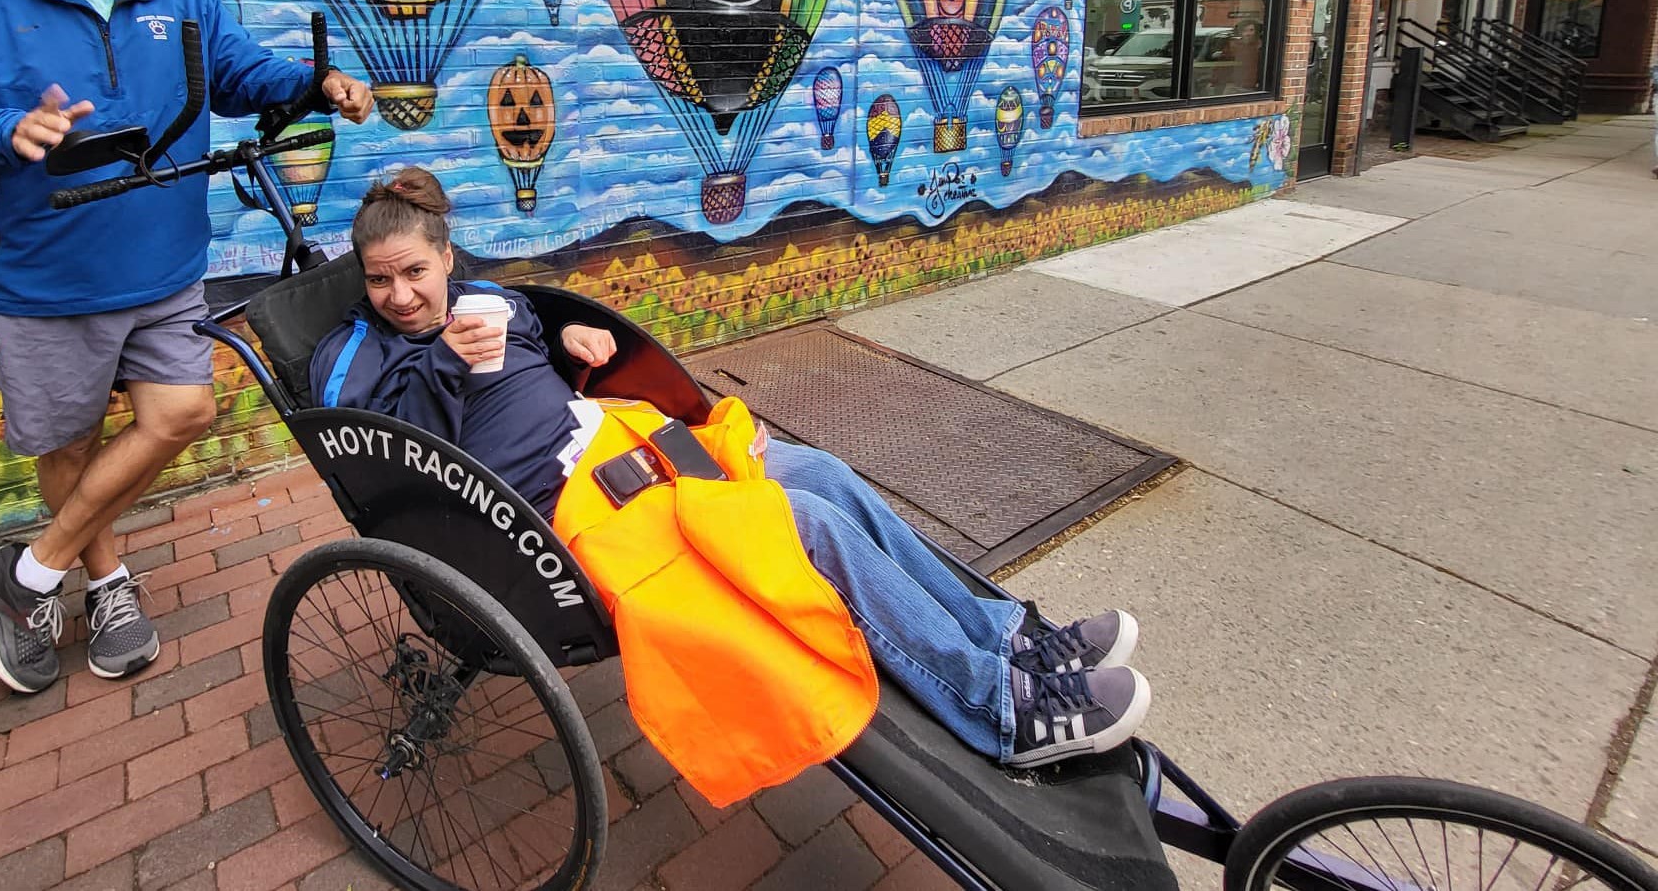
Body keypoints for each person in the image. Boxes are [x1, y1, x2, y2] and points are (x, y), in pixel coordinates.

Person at [310, 169, 1153, 769]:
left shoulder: (488, 300)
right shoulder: (356, 356)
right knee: (805, 528)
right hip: (557, 519)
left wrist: (573, 340)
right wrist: (446, 365)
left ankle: (1008, 635)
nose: (401, 296)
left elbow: (535, 335)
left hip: (627, 447)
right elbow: (389, 451)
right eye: (381, 281)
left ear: (448, 259)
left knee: (821, 474)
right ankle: (998, 710)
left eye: (415, 273)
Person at [0, 0, 374, 696]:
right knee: (70, 442)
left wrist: (312, 83)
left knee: (182, 412)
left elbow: (235, 73)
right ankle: (105, 583)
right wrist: (3, 129)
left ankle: (26, 575)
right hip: (42, 271)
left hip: (164, 262)